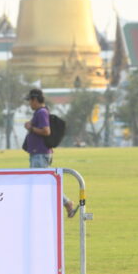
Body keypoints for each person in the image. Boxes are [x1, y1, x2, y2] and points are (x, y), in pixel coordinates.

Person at [23, 88, 79, 218]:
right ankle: (62, 204)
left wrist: (31, 128)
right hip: (38, 153)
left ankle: (66, 203)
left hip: (40, 154)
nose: (29, 104)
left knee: (43, 183)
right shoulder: (40, 112)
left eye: (30, 101)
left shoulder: (41, 112)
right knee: (42, 183)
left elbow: (46, 131)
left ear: (35, 100)